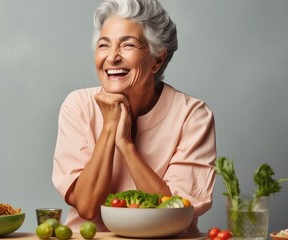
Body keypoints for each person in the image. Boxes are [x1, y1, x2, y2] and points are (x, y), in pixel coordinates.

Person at [52, 0, 216, 233]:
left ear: (157, 60)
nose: (112, 57)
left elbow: (172, 211)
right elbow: (87, 208)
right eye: (103, 45)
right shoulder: (78, 106)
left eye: (127, 45)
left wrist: (126, 145)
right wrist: (109, 128)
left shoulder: (193, 115)